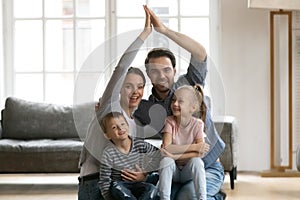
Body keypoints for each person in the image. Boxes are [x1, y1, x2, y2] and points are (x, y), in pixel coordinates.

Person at [133, 6, 226, 200]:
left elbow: (200, 53)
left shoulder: (188, 83)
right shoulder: (145, 108)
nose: (161, 75)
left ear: (174, 71)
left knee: (188, 197)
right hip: (174, 169)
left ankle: (216, 197)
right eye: (155, 71)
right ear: (149, 74)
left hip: (206, 167)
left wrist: (164, 31)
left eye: (166, 70)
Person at [78, 5, 152, 200]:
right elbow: (121, 68)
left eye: (140, 86)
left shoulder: (134, 125)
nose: (135, 91)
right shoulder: (108, 107)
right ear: (119, 88)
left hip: (118, 186)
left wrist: (143, 174)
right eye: (128, 86)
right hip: (94, 185)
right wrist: (144, 35)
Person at [159, 84, 209, 200]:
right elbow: (167, 148)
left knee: (197, 162)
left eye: (180, 101)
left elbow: (200, 154)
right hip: (174, 171)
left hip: (188, 172)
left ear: (193, 107)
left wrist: (174, 155)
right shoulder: (169, 122)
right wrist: (194, 147)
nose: (175, 104)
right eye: (173, 100)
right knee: (166, 161)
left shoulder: (198, 124)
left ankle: (203, 198)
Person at [99, 111, 160, 200]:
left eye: (123, 124)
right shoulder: (108, 153)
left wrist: (145, 172)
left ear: (128, 126)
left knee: (152, 189)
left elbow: (159, 155)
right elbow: (104, 181)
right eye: (114, 127)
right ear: (107, 135)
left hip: (140, 183)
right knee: (117, 189)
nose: (120, 128)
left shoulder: (140, 144)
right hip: (121, 185)